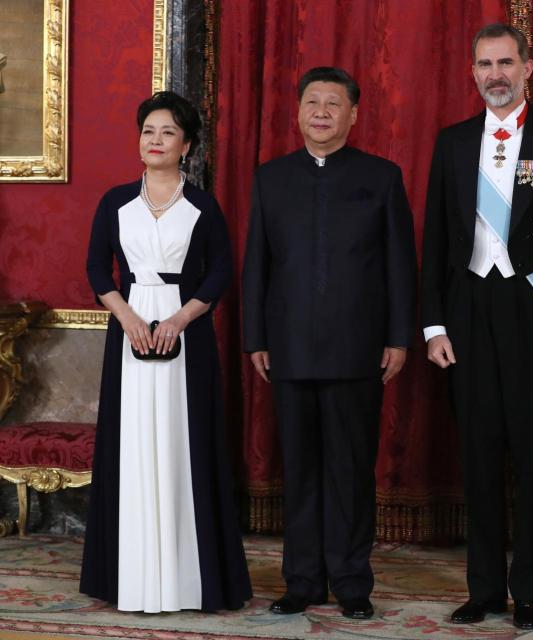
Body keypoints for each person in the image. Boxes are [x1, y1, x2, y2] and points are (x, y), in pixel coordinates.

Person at [421, 24, 533, 630]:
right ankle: (485, 589)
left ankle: (528, 592)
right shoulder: (450, 143)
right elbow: (436, 243)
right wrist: (433, 325)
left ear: (529, 68)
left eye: (505, 62)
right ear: (472, 72)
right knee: (478, 457)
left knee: (532, 455)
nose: (494, 73)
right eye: (484, 64)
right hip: (468, 313)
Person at [242, 67, 417, 620]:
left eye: (333, 103)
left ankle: (350, 580)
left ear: (353, 115)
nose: (321, 112)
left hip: (359, 348)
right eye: (312, 102)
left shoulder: (382, 177)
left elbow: (399, 265)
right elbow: (258, 267)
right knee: (300, 468)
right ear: (297, 112)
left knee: (349, 468)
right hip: (288, 347)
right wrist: (255, 337)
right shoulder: (271, 178)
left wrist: (398, 336)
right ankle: (302, 580)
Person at [80, 91, 252, 612]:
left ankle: (190, 580)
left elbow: (221, 270)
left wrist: (179, 319)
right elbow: (95, 269)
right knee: (129, 444)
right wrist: (129, 318)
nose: (155, 141)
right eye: (148, 131)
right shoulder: (114, 202)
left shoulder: (202, 205)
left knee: (187, 445)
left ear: (188, 145)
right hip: (129, 332)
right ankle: (127, 578)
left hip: (187, 332)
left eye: (168, 133)